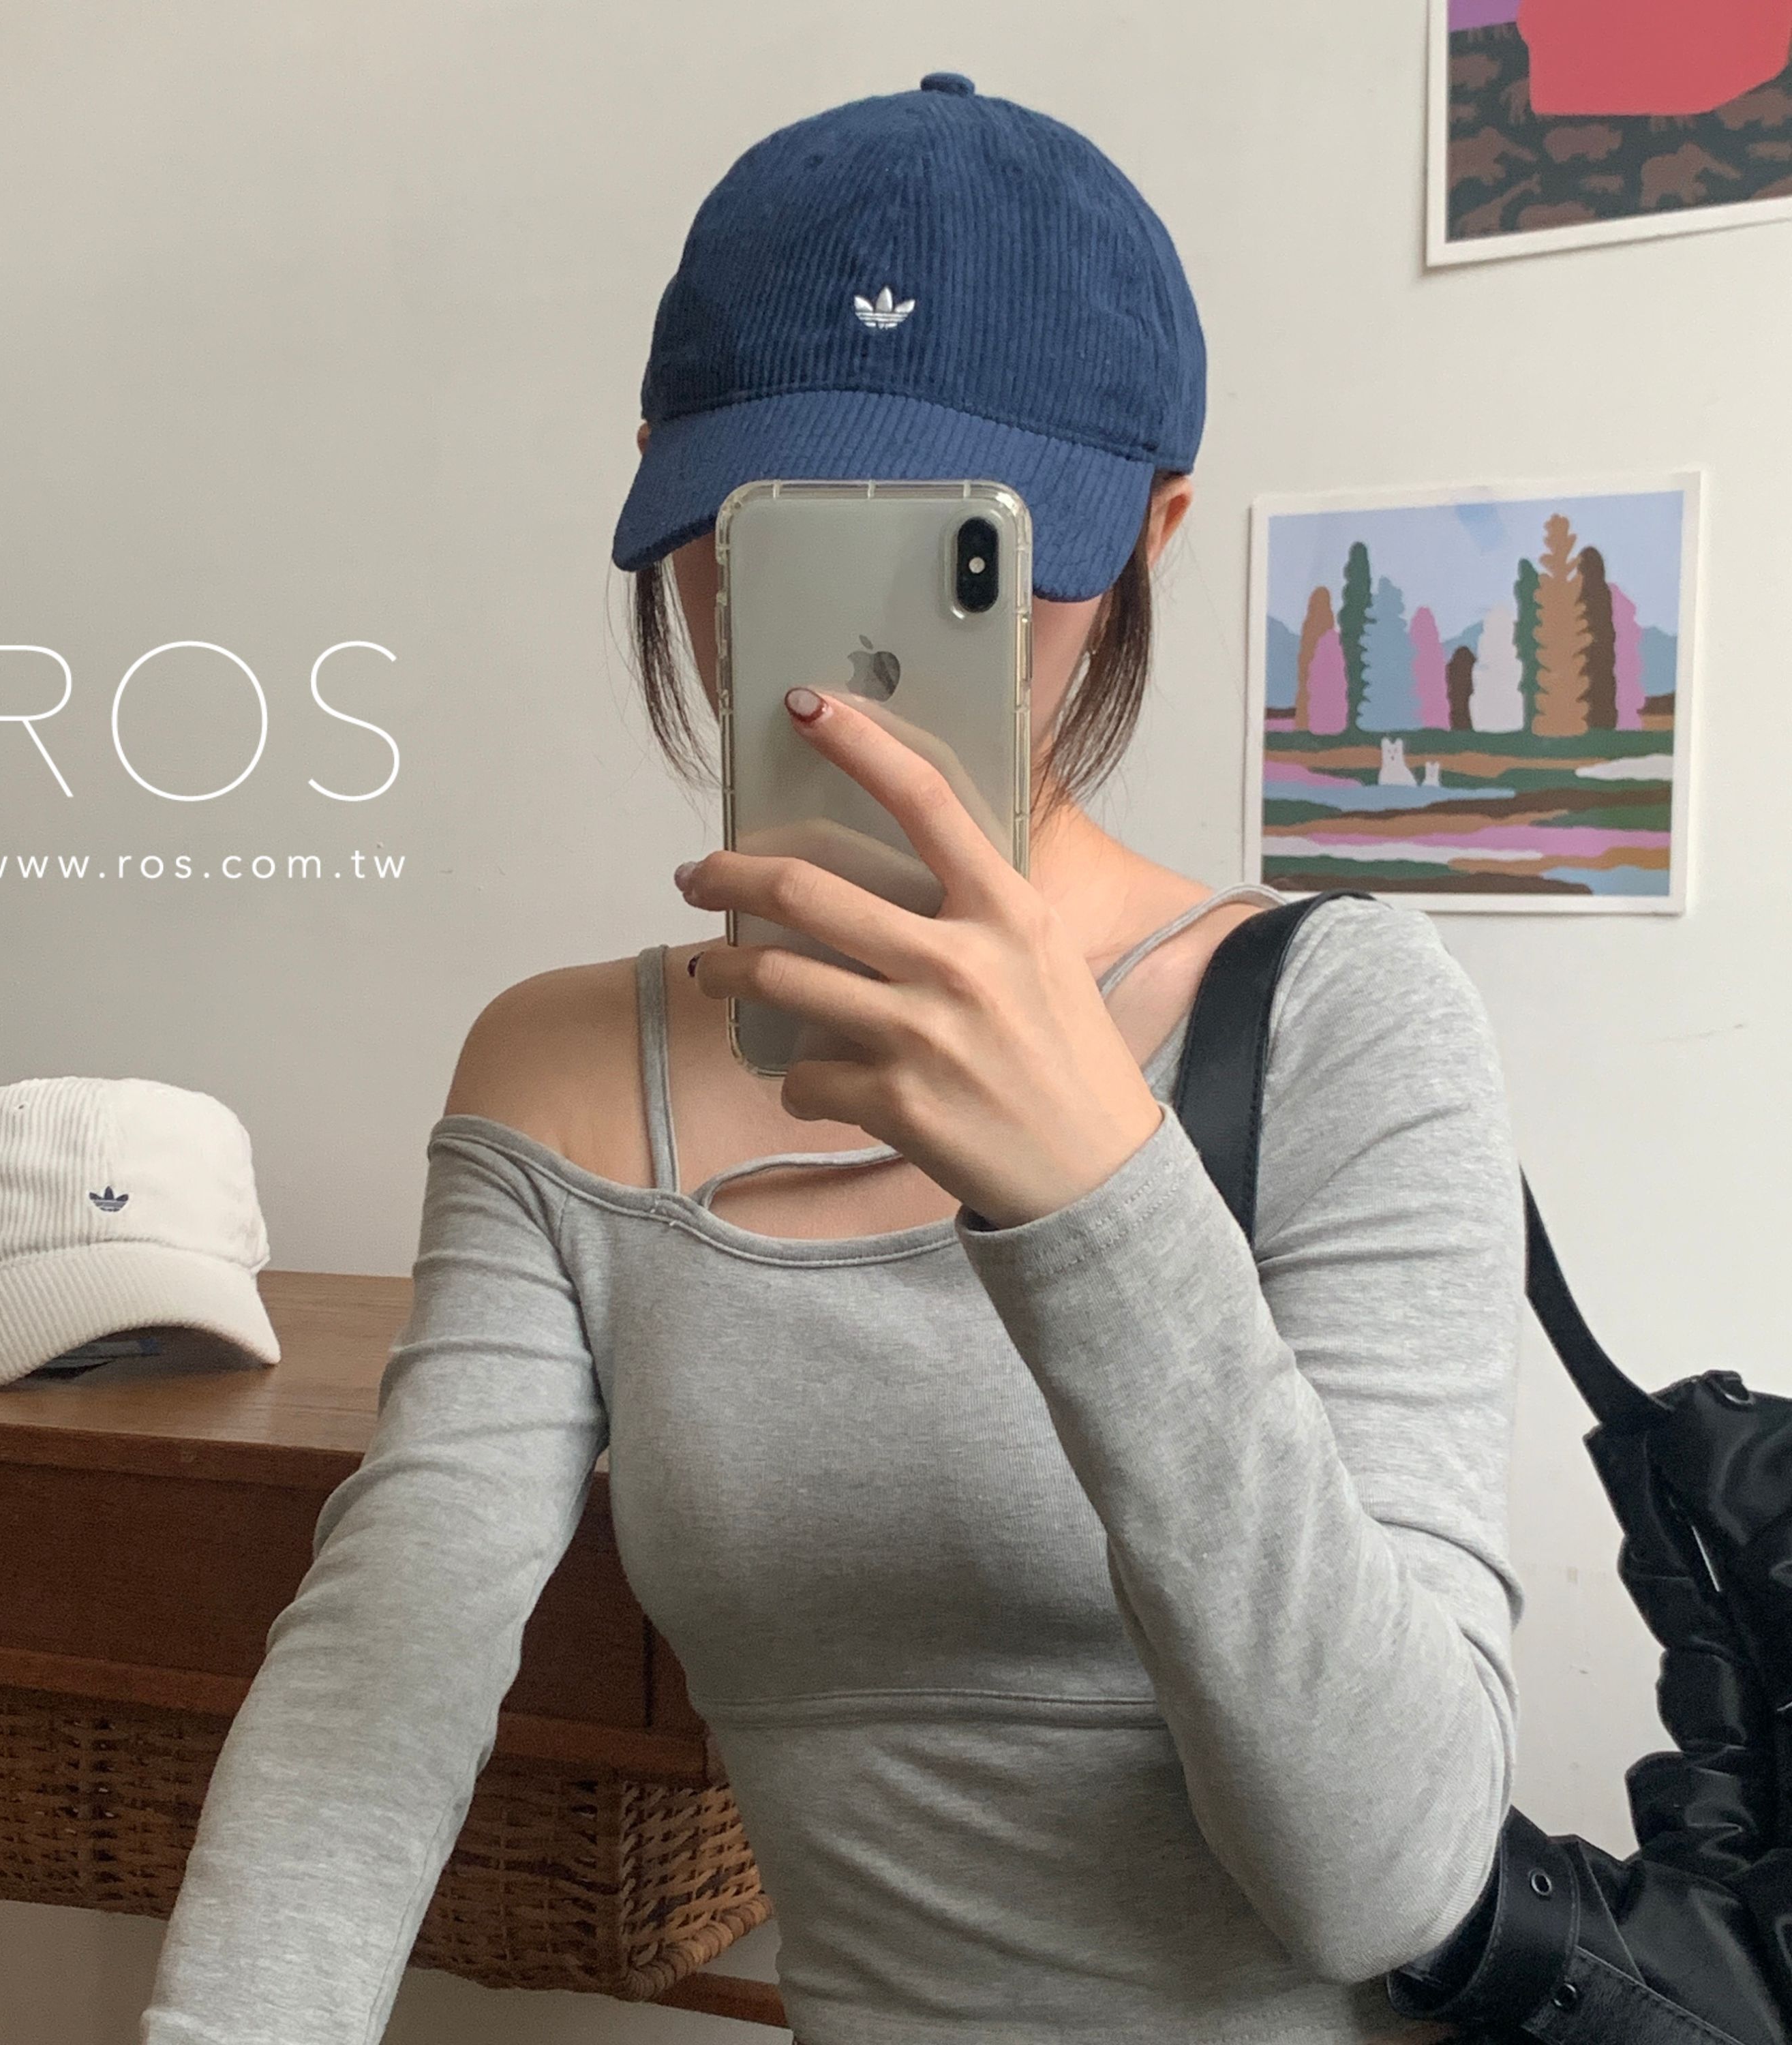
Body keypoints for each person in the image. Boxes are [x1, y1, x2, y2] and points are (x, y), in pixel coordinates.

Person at [142, 74, 1519, 2045]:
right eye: (787, 523)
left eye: (966, 540)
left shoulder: (1345, 1021)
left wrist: (1099, 1196)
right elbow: (377, 1687)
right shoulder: (559, 1074)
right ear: (671, 498)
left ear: (1152, 533)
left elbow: (1393, 1876)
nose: (846, 641)